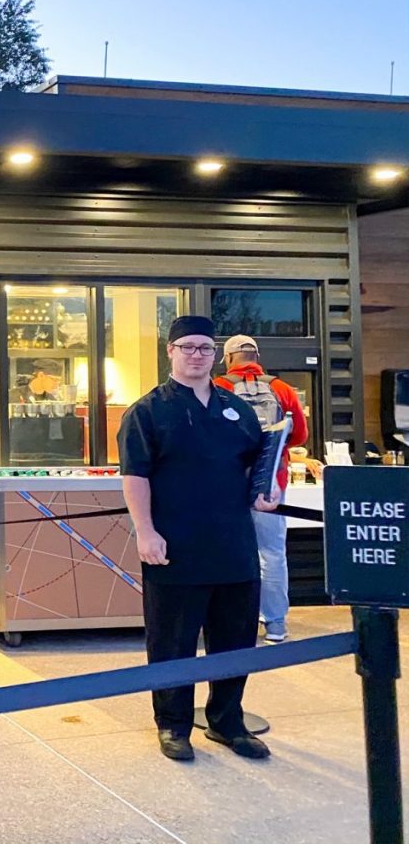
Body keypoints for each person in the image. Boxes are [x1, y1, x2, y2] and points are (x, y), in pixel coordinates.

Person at [118, 315, 276, 763]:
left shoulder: (236, 410)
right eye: (186, 347)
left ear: (216, 354)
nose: (196, 355)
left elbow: (254, 467)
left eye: (205, 348)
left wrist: (267, 491)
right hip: (174, 547)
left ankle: (227, 723)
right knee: (173, 641)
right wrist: (145, 532)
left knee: (236, 640)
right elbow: (135, 477)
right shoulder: (147, 412)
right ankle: (173, 725)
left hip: (233, 546)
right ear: (170, 352)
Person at [215, 334, 309, 644]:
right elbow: (299, 437)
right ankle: (276, 625)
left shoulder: (219, 387)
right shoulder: (281, 388)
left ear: (229, 358)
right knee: (272, 554)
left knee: (230, 553)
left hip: (229, 487)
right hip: (271, 487)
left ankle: (235, 623)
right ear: (257, 355)